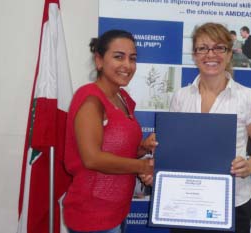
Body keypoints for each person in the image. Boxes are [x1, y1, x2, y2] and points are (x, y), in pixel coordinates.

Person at [168, 22, 251, 233]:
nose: (210, 54)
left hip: (233, 201)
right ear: (195, 55)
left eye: (219, 47)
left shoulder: (248, 96)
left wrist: (249, 166)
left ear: (229, 53)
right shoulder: (180, 97)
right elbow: (175, 148)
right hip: (187, 201)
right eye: (203, 48)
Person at [63, 29, 158, 233]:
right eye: (118, 57)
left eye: (132, 58)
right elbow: (92, 159)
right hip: (92, 215)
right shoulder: (90, 99)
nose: (127, 65)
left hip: (117, 210)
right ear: (99, 60)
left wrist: (142, 147)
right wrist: (143, 166)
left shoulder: (123, 98)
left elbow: (119, 152)